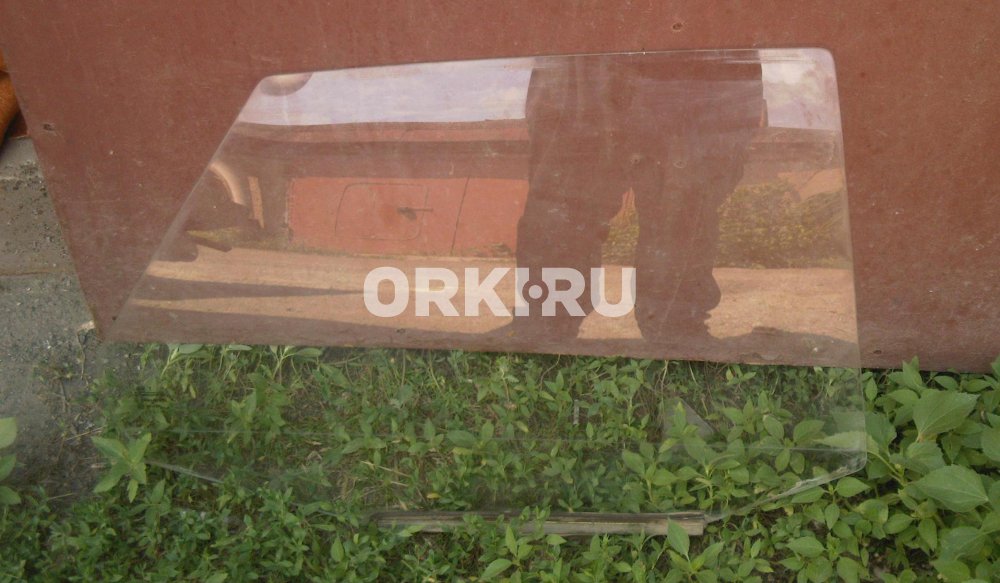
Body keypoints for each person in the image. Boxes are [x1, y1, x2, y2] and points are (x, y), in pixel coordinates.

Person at [511, 51, 765, 343]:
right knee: (567, 188)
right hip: (585, 49)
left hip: (693, 53)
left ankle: (678, 324)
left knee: (684, 199)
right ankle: (546, 322)